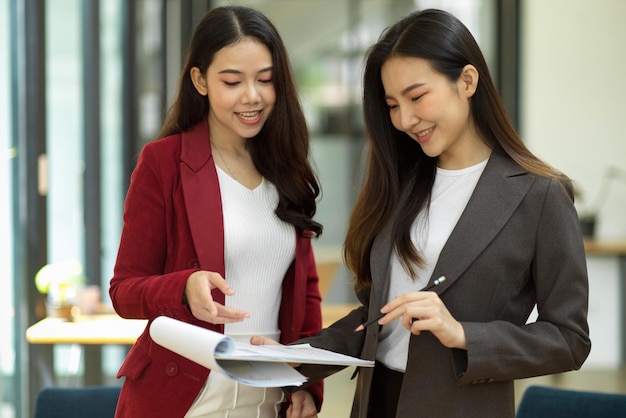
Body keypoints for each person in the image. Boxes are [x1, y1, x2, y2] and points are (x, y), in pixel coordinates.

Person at [253, 8, 591, 418]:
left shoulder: (541, 194)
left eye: (417, 97)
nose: (405, 119)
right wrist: (296, 360)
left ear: (466, 81)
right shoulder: (402, 184)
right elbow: (379, 317)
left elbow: (569, 338)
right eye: (393, 105)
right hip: (377, 403)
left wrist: (463, 334)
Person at [109, 6, 323, 418]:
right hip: (186, 399)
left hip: (269, 396)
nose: (252, 96)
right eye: (232, 81)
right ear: (200, 80)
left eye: (265, 79)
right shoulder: (163, 162)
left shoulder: (286, 167)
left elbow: (305, 291)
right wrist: (184, 288)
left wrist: (307, 382)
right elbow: (124, 291)